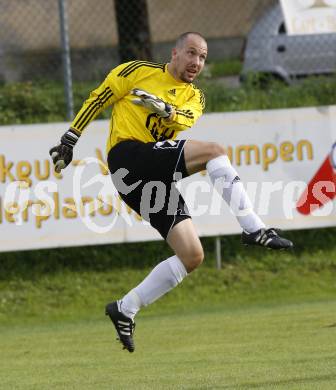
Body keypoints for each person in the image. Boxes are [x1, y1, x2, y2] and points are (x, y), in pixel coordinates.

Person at [49, 32, 293, 353]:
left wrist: (165, 110)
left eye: (203, 57)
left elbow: (184, 118)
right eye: (191, 53)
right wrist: (70, 139)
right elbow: (99, 98)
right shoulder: (137, 71)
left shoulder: (195, 97)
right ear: (175, 53)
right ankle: (254, 228)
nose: (196, 62)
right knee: (215, 151)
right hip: (128, 157)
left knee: (192, 255)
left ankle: (125, 307)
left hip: (147, 178)